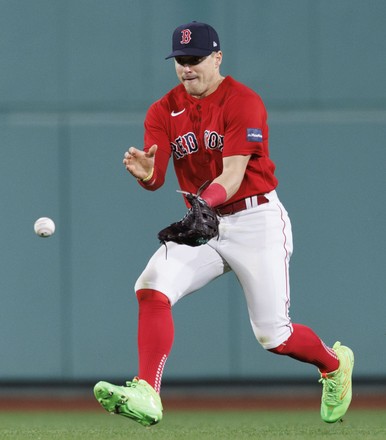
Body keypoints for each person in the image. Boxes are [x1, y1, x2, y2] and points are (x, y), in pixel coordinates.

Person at [94, 21, 354, 427]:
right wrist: (146, 173)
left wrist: (202, 203)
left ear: (217, 57)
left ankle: (335, 365)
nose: (187, 68)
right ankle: (147, 391)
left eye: (195, 59)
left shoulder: (243, 101)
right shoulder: (162, 110)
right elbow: (157, 176)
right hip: (206, 221)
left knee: (274, 336)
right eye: (180, 61)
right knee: (150, 287)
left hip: (256, 219)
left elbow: (232, 175)